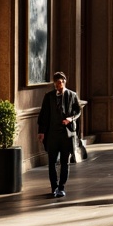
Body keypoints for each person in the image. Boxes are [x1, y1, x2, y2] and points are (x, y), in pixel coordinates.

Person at [37, 71, 82, 199]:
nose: (59, 85)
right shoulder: (49, 96)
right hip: (52, 134)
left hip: (66, 134)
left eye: (61, 83)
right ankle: (54, 187)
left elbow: (78, 111)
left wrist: (70, 119)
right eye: (57, 83)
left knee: (64, 162)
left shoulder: (72, 95)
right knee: (51, 162)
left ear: (64, 82)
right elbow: (44, 115)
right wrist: (41, 132)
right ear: (54, 84)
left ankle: (62, 187)